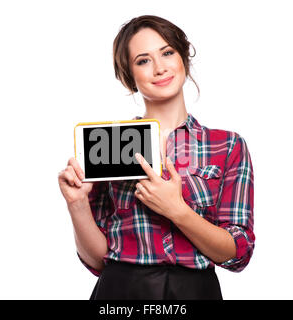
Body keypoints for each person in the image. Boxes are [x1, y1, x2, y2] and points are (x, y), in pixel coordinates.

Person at [58, 15, 255, 300]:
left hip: (196, 292)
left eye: (167, 53)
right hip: (120, 293)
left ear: (183, 59)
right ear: (130, 76)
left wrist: (177, 210)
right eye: (143, 60)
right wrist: (76, 205)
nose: (159, 68)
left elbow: (239, 253)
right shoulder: (108, 145)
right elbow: (98, 260)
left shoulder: (227, 145)